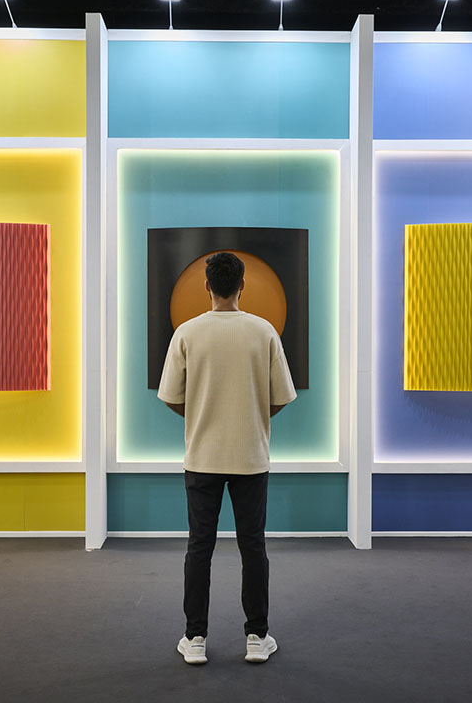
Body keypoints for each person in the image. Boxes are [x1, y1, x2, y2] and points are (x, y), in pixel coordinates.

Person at [157, 251, 297, 666]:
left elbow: (170, 397)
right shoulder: (264, 332)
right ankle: (257, 636)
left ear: (206, 286)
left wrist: (200, 414)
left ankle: (194, 638)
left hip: (201, 456)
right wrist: (253, 415)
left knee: (199, 547)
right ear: (242, 286)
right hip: (251, 457)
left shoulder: (187, 333)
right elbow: (281, 398)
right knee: (253, 547)